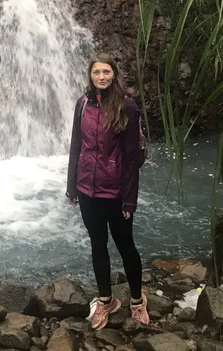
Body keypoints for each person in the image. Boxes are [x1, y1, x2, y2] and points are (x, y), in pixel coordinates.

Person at [66, 53, 149, 330]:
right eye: (96, 72)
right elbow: (76, 146)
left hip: (115, 191)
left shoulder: (126, 106)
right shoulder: (82, 105)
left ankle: (137, 302)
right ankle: (106, 300)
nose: (101, 77)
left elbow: (131, 156)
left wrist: (129, 199)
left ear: (114, 74)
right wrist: (71, 187)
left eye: (106, 72)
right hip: (87, 189)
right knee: (98, 245)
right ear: (90, 76)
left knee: (126, 247)